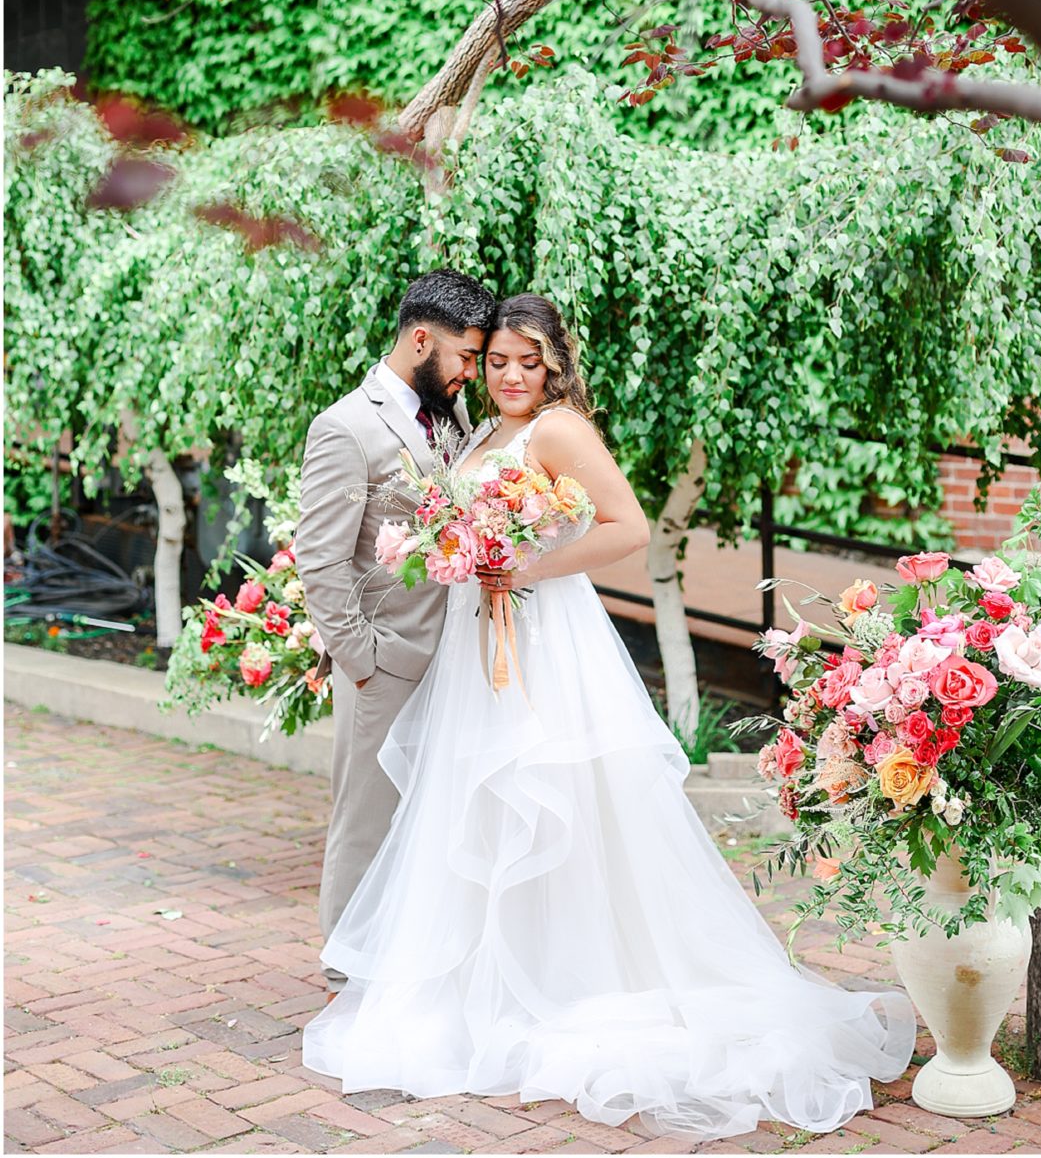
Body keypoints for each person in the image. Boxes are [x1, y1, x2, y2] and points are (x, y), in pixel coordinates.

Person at [303, 294, 916, 1138]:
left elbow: (625, 527)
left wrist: (525, 563)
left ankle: (569, 977)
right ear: (479, 366)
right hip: (476, 646)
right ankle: (486, 973)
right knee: (478, 807)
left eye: (529, 361)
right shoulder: (476, 436)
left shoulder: (557, 429)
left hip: (543, 638)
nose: (511, 375)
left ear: (553, 364)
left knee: (551, 796)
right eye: (497, 361)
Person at [294, 268, 496, 994]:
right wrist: (362, 663)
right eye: (466, 356)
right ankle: (348, 966)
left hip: (456, 661)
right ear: (421, 340)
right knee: (366, 817)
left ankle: (411, 954)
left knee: (431, 817)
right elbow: (319, 559)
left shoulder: (452, 418)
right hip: (387, 663)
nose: (472, 371)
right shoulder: (345, 427)